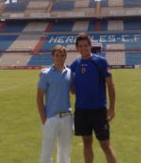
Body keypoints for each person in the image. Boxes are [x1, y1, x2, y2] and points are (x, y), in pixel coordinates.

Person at [70, 32, 117, 163]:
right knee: (86, 142)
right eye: (80, 46)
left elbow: (111, 86)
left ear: (90, 46)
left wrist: (112, 109)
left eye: (85, 45)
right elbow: (64, 76)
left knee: (105, 145)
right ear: (77, 48)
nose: (83, 48)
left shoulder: (100, 61)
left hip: (98, 111)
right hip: (81, 111)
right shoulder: (75, 64)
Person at [37, 45, 74, 163]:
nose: (60, 58)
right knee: (46, 152)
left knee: (65, 152)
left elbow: (74, 90)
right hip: (51, 118)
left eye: (62, 55)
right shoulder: (46, 74)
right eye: (57, 55)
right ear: (53, 57)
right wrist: (44, 118)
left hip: (67, 118)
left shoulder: (70, 73)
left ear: (65, 57)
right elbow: (39, 97)